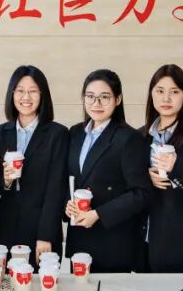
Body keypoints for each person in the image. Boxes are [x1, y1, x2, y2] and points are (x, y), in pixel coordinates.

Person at [63, 69, 150, 272]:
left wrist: (99, 214)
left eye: (104, 97)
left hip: (113, 242)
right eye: (90, 96)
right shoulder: (75, 133)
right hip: (80, 240)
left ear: (118, 99)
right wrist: (67, 205)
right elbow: (69, 179)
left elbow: (141, 193)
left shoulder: (129, 138)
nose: (96, 103)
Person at [0, 66, 68, 261]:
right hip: (5, 228)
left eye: (33, 91)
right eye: (20, 91)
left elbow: (56, 188)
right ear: (12, 94)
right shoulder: (0, 133)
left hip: (40, 229)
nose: (26, 97)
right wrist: (5, 180)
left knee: (41, 280)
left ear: (42, 95)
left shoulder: (57, 134)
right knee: (5, 280)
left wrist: (45, 235)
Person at [141, 64, 183, 272]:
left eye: (174, 92)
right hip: (140, 242)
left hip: (178, 245)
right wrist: (145, 177)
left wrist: (177, 166)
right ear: (151, 94)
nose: (166, 98)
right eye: (160, 91)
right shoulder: (139, 137)